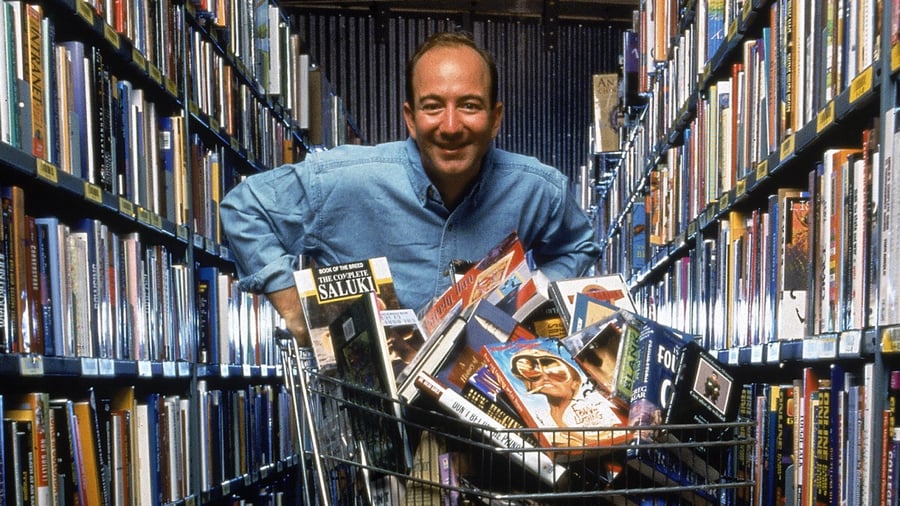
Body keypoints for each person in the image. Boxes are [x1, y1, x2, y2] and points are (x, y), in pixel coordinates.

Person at [220, 31, 600, 346]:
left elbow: (578, 244)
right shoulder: (345, 179)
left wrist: (532, 298)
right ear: (411, 119)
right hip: (369, 411)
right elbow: (244, 207)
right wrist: (292, 306)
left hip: (483, 414)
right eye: (433, 107)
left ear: (495, 118)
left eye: (469, 105)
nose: (450, 126)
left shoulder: (538, 189)